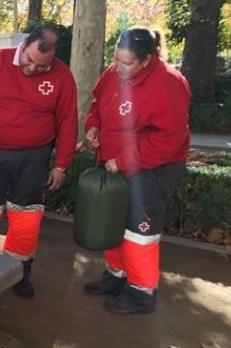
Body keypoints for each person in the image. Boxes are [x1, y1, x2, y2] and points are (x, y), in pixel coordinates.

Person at [0, 25, 78, 298]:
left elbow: (68, 120)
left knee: (27, 216)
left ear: (54, 58)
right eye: (29, 59)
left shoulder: (62, 75)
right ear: (24, 44)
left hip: (34, 156)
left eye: (41, 65)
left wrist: (61, 164)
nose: (32, 69)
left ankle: (18, 271)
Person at [83, 27, 190, 314]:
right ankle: (115, 278)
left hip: (152, 169)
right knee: (112, 223)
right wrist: (93, 125)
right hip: (114, 163)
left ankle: (142, 294)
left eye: (126, 62)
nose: (118, 67)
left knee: (139, 233)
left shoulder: (169, 83)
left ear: (146, 60)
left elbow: (169, 138)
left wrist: (124, 160)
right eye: (116, 59)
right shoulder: (113, 73)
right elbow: (98, 103)